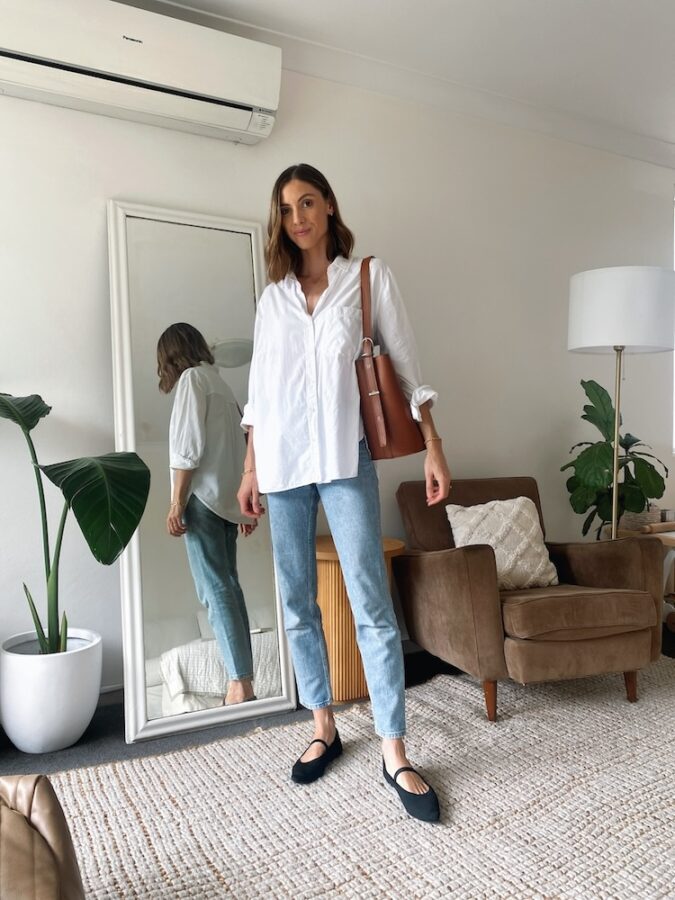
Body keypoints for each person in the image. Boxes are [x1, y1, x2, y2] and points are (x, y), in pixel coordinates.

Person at [237, 164, 451, 822]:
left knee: (369, 604)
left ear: (328, 205)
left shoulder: (366, 278)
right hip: (279, 464)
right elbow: (261, 390)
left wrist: (433, 444)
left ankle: (394, 749)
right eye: (286, 207)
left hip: (344, 455)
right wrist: (249, 468)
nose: (297, 215)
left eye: (307, 201)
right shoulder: (272, 295)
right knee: (297, 602)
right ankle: (322, 725)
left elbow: (406, 365)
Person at [158, 322, 257, 706]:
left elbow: (188, 450)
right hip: (225, 502)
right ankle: (243, 680)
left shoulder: (191, 382)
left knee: (215, 590)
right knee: (228, 587)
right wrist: (241, 510)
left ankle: (239, 684)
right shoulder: (222, 386)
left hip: (201, 500)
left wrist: (175, 502)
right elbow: (238, 451)